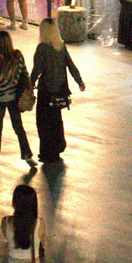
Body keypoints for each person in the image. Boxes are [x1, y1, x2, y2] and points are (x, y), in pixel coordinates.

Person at [30, 20, 84, 166]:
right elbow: (71, 65)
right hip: (59, 90)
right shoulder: (61, 46)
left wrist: (30, 83)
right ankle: (57, 148)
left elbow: (37, 69)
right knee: (56, 121)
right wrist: (79, 81)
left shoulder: (42, 48)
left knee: (43, 122)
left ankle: (47, 152)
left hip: (46, 91)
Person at [0, 30, 33, 170]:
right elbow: (25, 75)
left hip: (0, 99)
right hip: (14, 97)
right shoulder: (18, 56)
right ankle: (27, 154)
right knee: (18, 127)